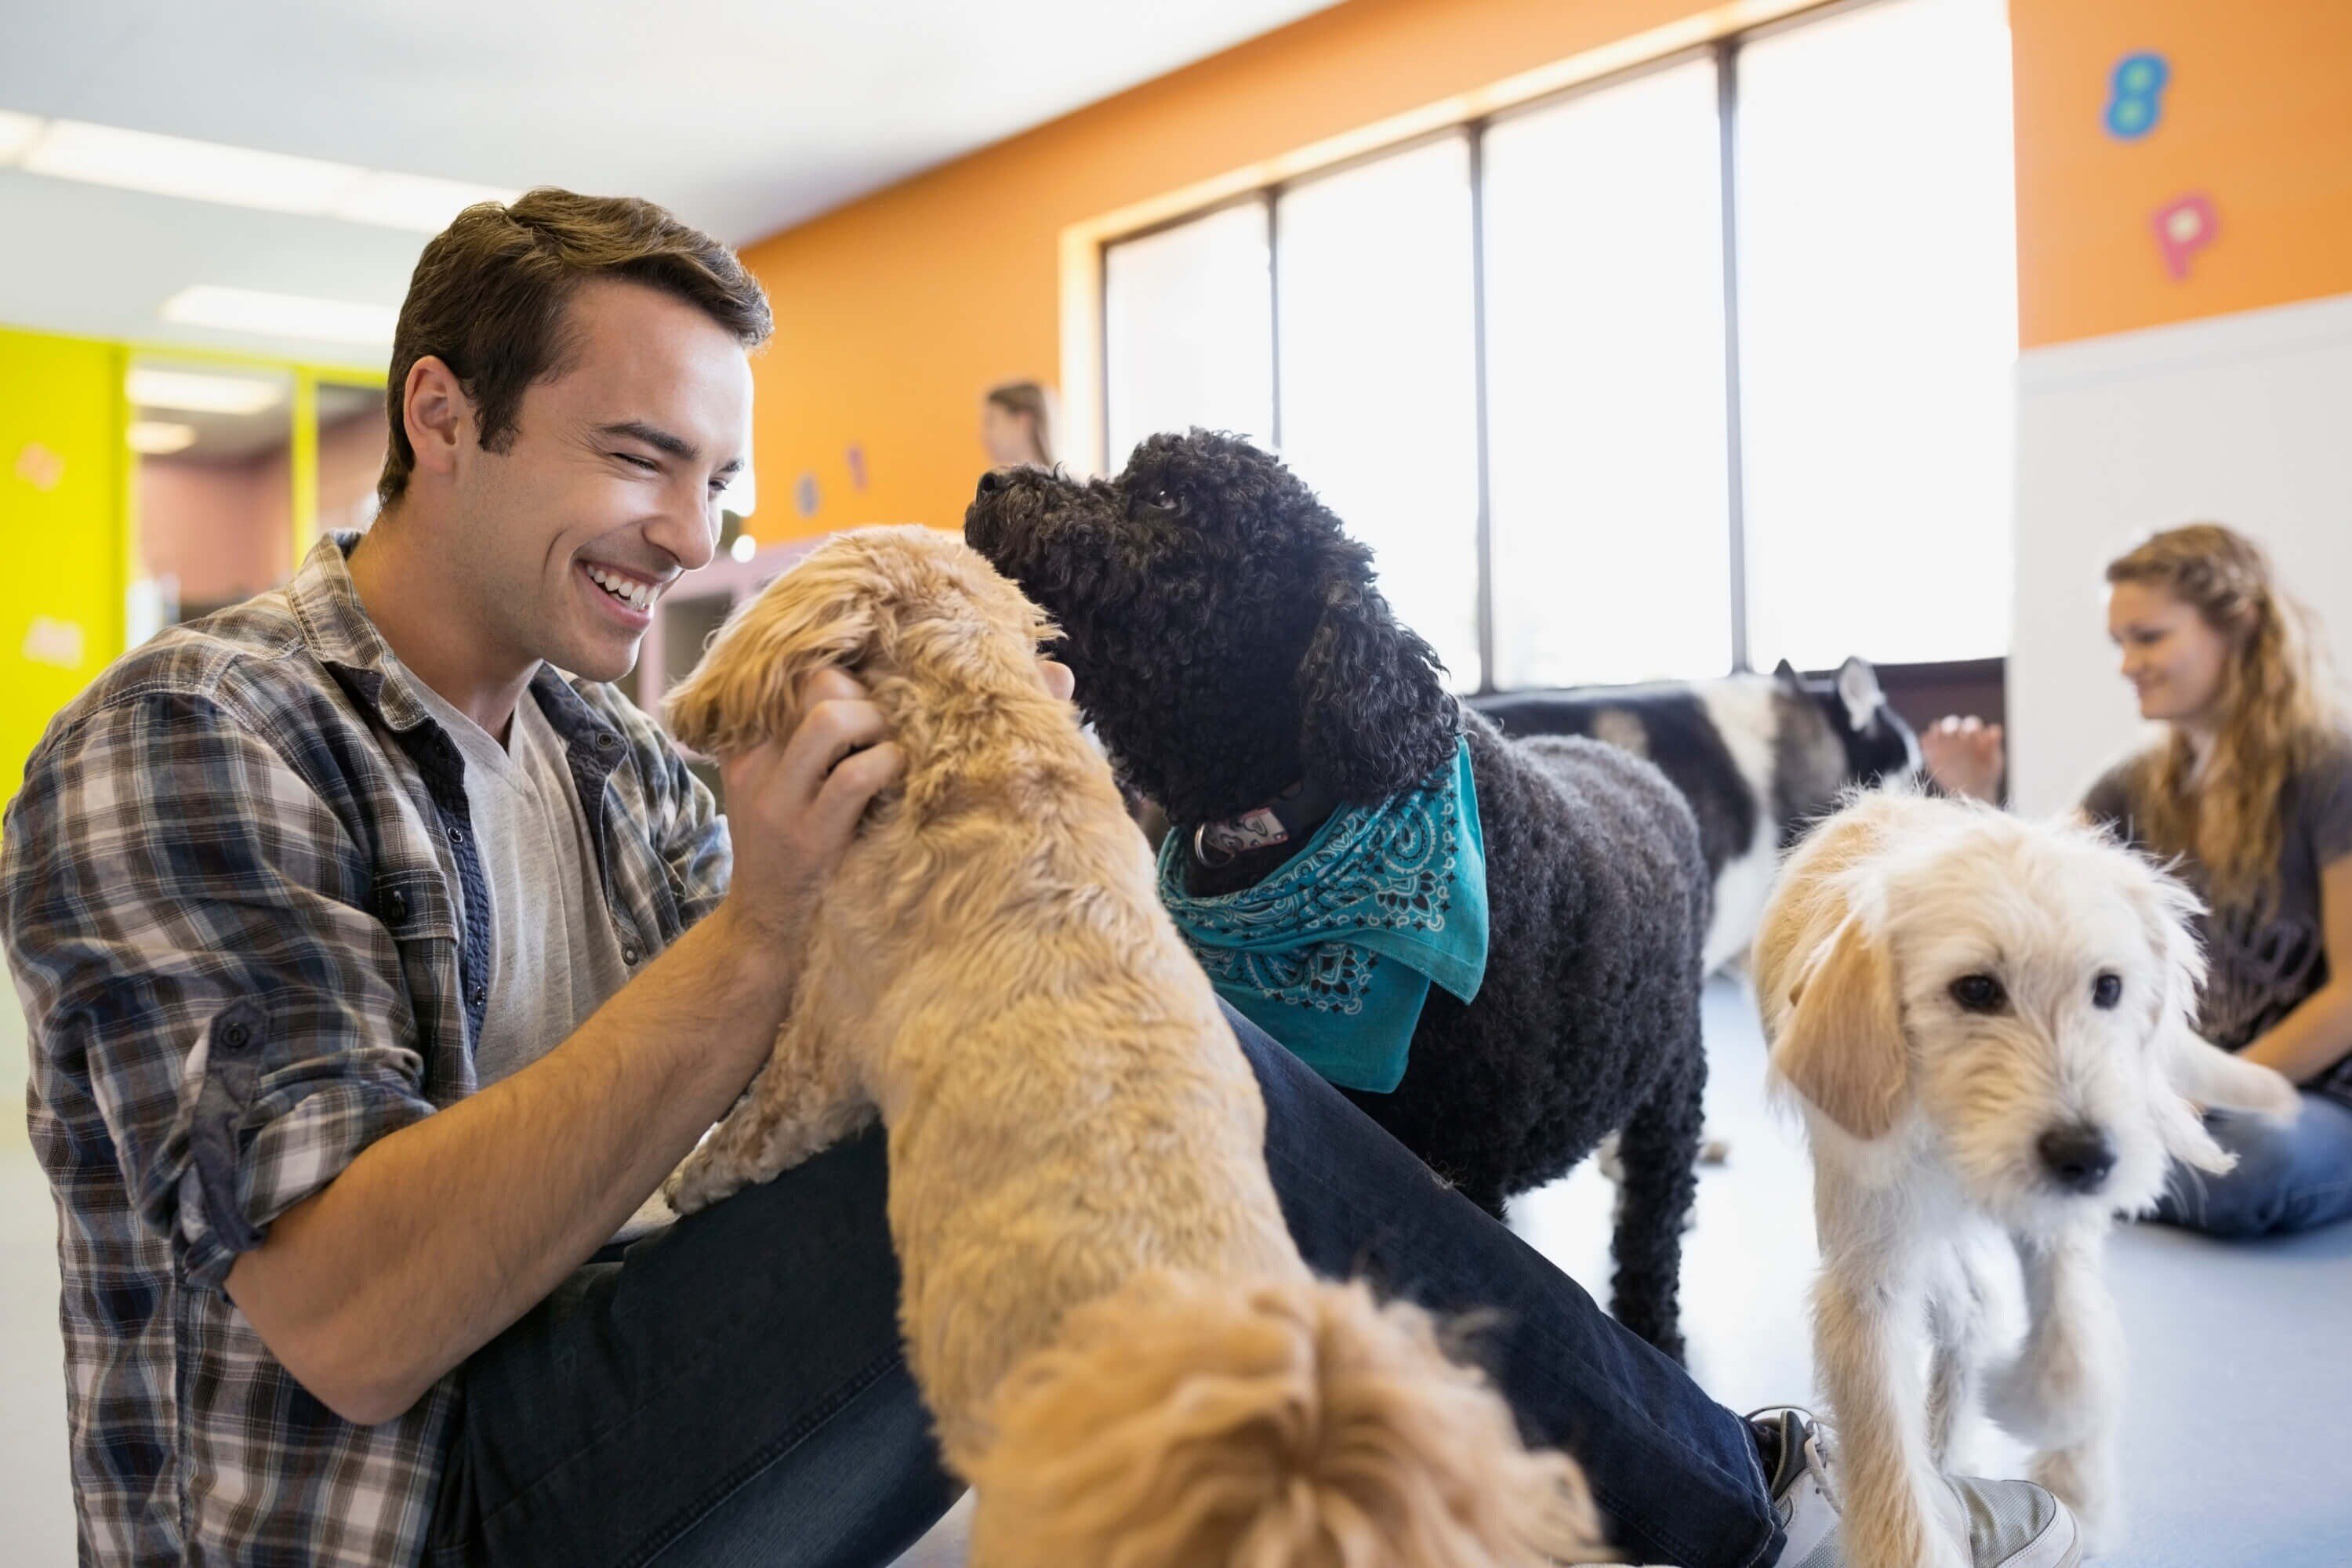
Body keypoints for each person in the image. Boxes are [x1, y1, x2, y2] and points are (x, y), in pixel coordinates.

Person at [3, 188, 2072, 1568]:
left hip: (621, 1370)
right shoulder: (197, 739)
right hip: (418, 1511)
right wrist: (766, 941)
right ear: (437, 417)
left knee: (1171, 1047)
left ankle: (1649, 1497)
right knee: (1162, 1084)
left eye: (719, 477)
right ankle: (1723, 1513)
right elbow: (354, 1328)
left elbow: (771, 1097)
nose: (694, 529)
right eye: (640, 457)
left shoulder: (613, 747)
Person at [1925, 523, 2352, 1236]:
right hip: (2170, 1087)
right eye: (2119, 643)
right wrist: (1975, 801)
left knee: (2254, 1161)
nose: (2128, 664)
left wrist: (2197, 1089)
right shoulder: (2137, 784)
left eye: (2149, 637)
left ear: (2238, 629)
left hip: (2308, 1096)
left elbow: (2350, 996)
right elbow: (2031, 892)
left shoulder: (2331, 772)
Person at [979, 379, 1054, 469]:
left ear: (1024, 421)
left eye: (991, 421)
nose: (984, 434)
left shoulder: (1063, 481)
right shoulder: (996, 481)